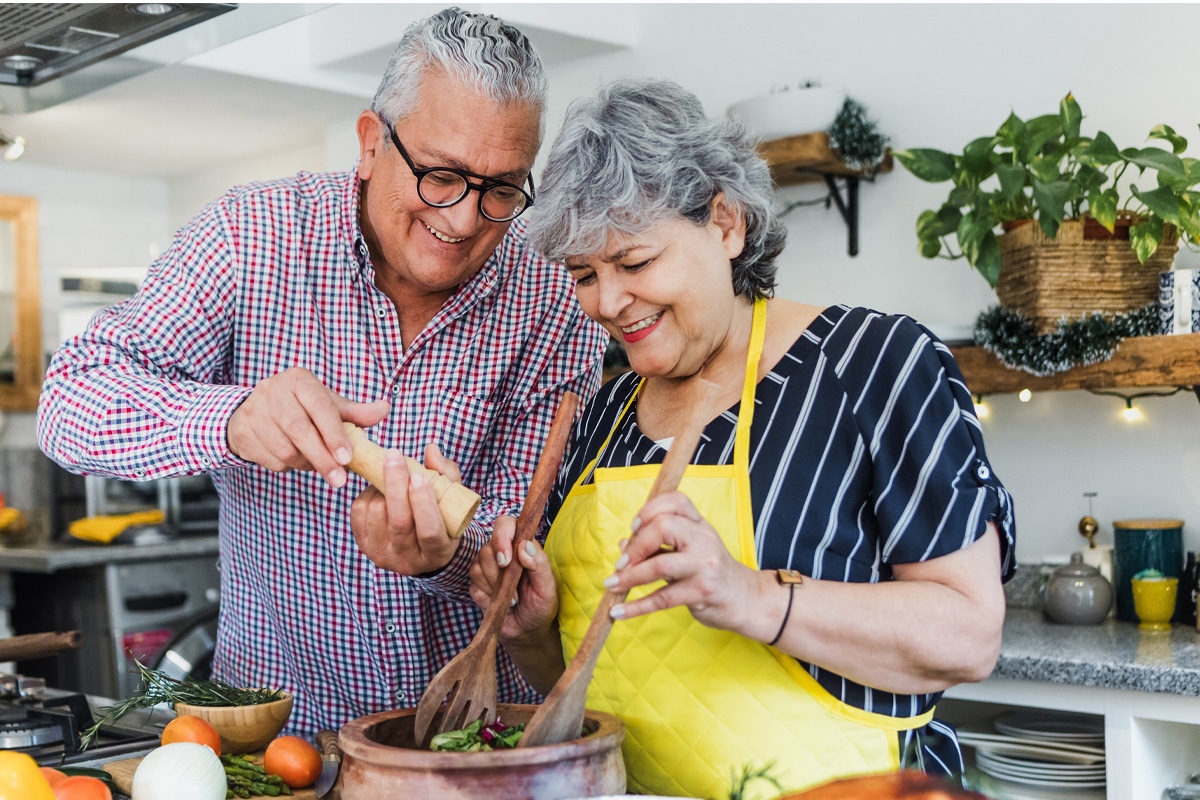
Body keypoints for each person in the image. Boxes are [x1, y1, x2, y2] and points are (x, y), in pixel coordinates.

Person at [36, 8, 606, 736]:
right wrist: (234, 420)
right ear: (371, 143)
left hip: (462, 743)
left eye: (500, 189)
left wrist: (448, 556)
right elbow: (70, 400)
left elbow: (525, 541)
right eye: (440, 176)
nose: (464, 220)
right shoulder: (248, 239)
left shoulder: (552, 295)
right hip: (273, 742)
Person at [469, 77, 1016, 798]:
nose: (607, 302)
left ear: (726, 224)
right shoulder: (603, 418)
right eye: (583, 275)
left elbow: (969, 634)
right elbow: (580, 689)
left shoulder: (874, 365)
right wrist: (535, 631)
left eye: (634, 263)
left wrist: (751, 596)